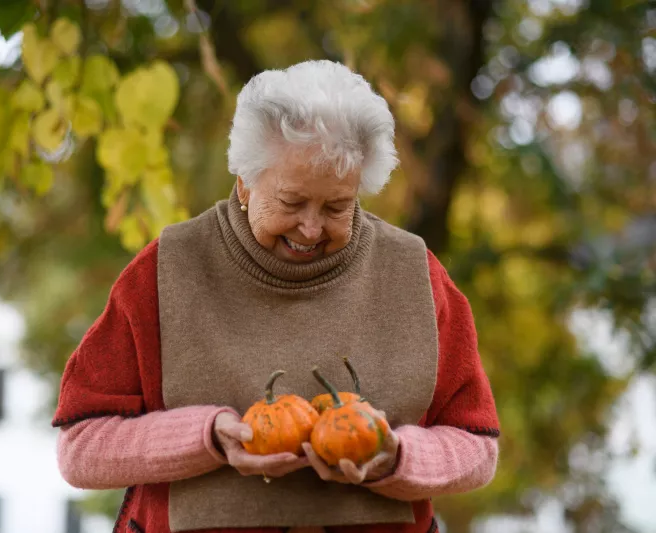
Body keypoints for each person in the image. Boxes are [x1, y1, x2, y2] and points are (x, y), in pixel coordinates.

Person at [53, 60, 500, 533]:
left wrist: (400, 458)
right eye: (291, 202)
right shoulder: (164, 271)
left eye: (337, 206)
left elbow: (477, 446)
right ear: (245, 184)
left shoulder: (416, 274)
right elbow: (80, 449)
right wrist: (205, 437)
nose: (311, 228)